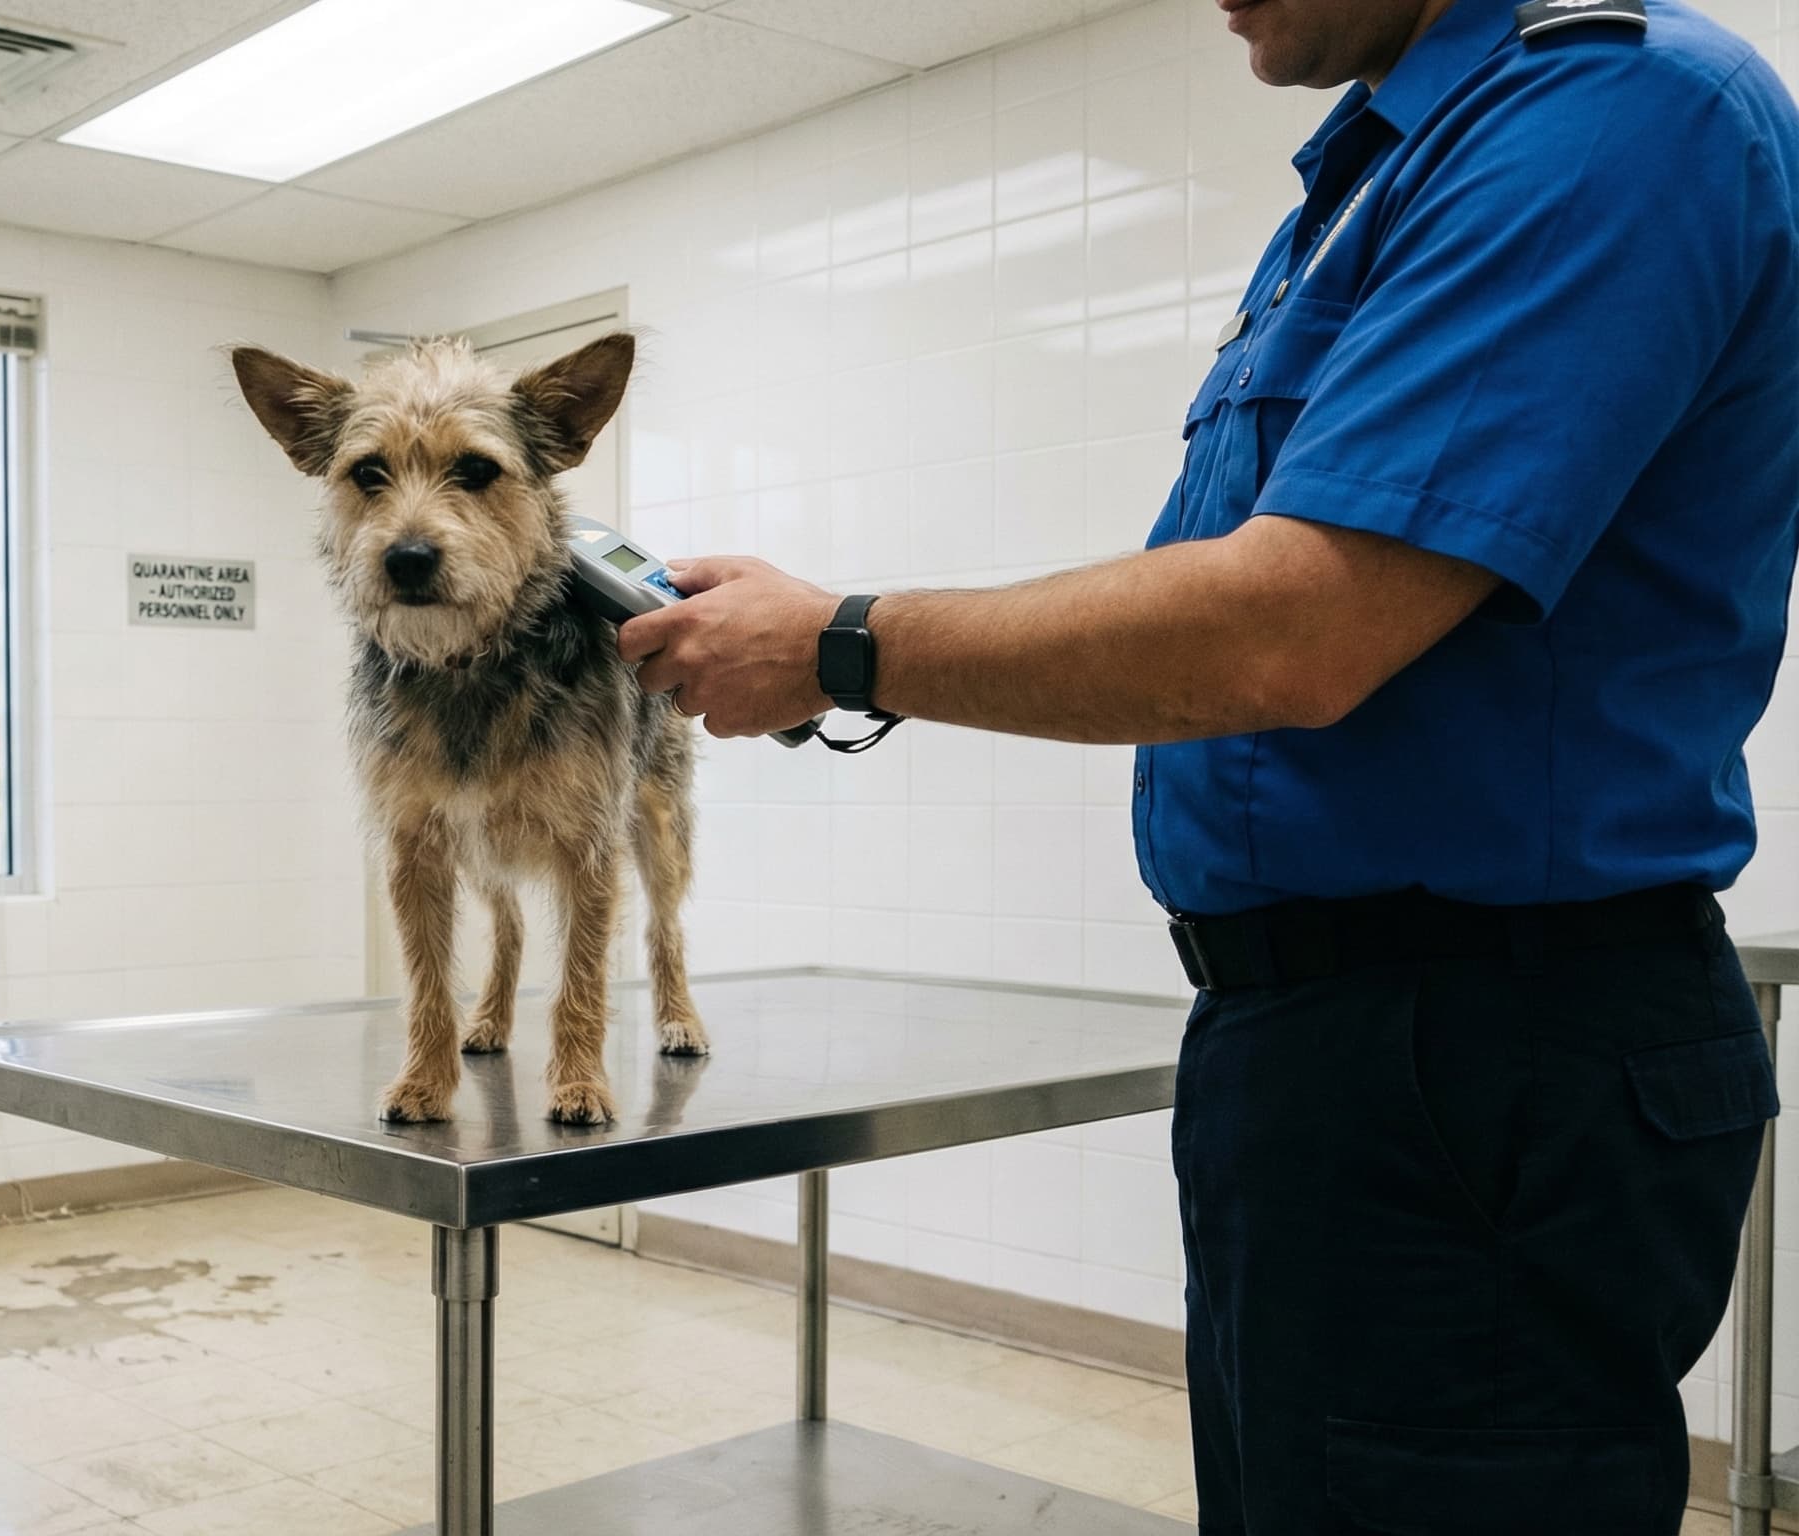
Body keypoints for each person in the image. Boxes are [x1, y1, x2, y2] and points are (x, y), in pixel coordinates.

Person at [625, 0, 1799, 1526]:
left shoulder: (1610, 116)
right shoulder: (1375, 171)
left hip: (1484, 1043)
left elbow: (1290, 637)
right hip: (1332, 1042)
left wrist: (841, 644)